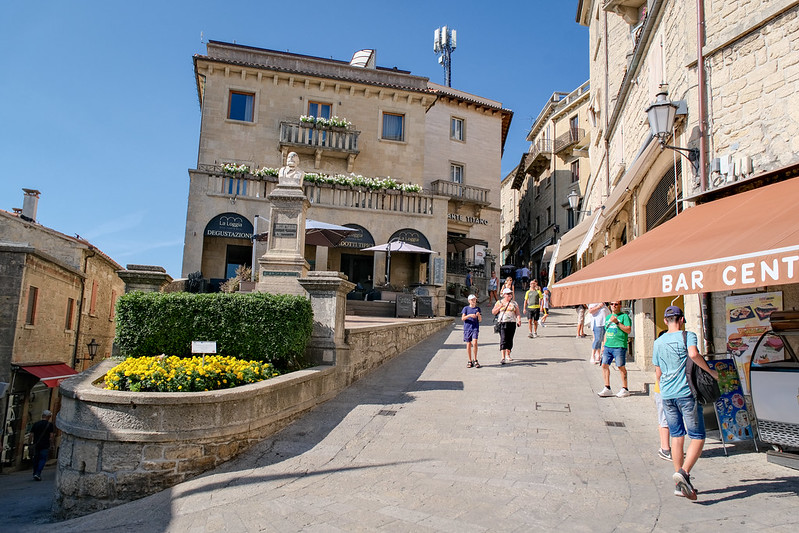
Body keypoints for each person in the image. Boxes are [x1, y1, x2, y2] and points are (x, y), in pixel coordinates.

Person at [652, 305, 718, 501]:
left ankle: (679, 485)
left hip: (667, 394)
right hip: (685, 393)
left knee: (676, 435)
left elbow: (658, 373)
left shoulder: (658, 341)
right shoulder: (688, 336)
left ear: (665, 321)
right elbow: (693, 354)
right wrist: (710, 372)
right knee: (698, 436)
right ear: (681, 319)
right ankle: (684, 473)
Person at [597, 301, 632, 398]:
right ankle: (607, 387)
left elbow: (628, 330)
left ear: (620, 305)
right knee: (604, 365)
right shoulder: (608, 318)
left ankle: (625, 388)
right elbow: (606, 332)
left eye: (616, 304)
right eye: (612, 304)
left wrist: (617, 322)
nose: (614, 306)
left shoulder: (624, 317)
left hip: (619, 345)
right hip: (608, 345)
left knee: (620, 366)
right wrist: (603, 345)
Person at [493, 288, 522, 364]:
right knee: (503, 339)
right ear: (504, 295)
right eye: (508, 294)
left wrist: (519, 320)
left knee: (510, 339)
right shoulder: (499, 302)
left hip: (512, 322)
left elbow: (517, 313)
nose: (510, 295)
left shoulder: (514, 303)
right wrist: (500, 307)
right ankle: (503, 356)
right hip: (502, 322)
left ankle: (508, 354)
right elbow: (493, 312)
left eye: (510, 294)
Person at [30, 410, 54, 481]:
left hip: (36, 444)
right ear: (49, 417)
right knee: (42, 459)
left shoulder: (36, 424)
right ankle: (38, 473)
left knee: (36, 459)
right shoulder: (50, 425)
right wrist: (52, 444)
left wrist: (30, 443)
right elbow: (51, 436)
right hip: (45, 445)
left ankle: (35, 473)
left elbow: (31, 435)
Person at [461, 295, 482, 368]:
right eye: (472, 300)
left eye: (474, 300)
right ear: (469, 301)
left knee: (475, 342)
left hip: (475, 328)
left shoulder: (477, 308)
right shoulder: (466, 308)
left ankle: (475, 359)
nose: (473, 301)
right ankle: (470, 360)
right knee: (468, 344)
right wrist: (469, 315)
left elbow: (480, 320)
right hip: (467, 328)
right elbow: (463, 318)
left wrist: (478, 315)